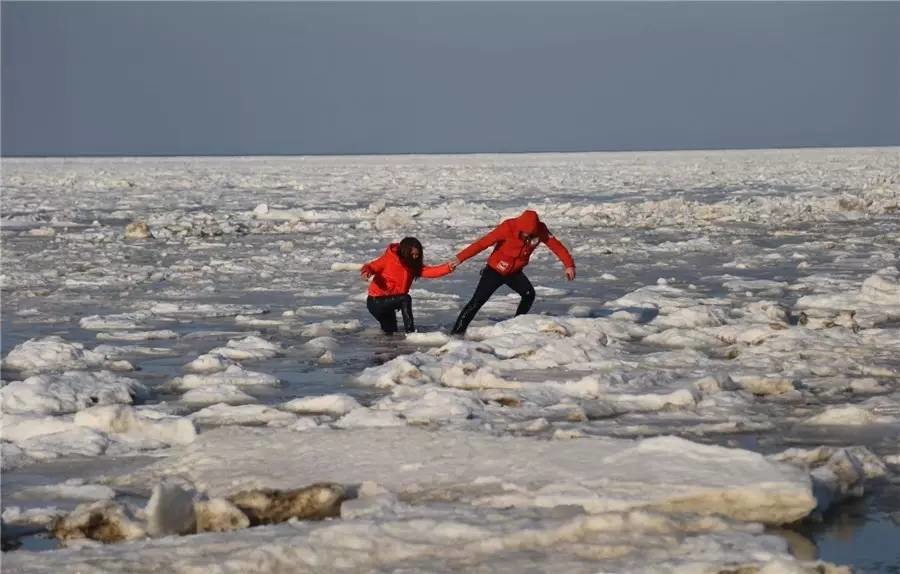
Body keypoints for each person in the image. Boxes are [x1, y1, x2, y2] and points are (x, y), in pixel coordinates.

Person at [450, 210, 575, 335]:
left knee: (528, 294)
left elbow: (557, 247)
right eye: (525, 234)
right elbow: (482, 243)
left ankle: (516, 324)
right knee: (477, 301)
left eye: (531, 235)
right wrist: (459, 258)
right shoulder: (508, 227)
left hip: (514, 272)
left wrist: (569, 265)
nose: (527, 237)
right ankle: (456, 333)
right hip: (495, 270)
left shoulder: (541, 230)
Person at [361, 237, 454, 334]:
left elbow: (430, 271)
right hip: (376, 301)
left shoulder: (413, 265)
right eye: (412, 254)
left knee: (390, 334)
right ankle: (411, 333)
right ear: (405, 252)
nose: (414, 257)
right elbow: (371, 266)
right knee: (405, 299)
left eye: (417, 255)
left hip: (392, 302)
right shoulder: (389, 259)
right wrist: (366, 272)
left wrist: (448, 268)